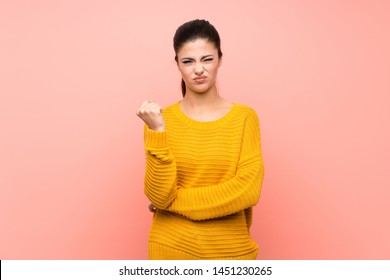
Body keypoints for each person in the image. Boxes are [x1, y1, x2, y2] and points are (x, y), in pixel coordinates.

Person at [136, 19, 264, 260]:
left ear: (220, 59)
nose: (199, 69)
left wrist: (171, 203)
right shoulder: (160, 121)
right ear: (177, 65)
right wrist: (157, 131)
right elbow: (158, 195)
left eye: (207, 59)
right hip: (170, 248)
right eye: (188, 61)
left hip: (231, 251)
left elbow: (247, 191)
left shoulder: (245, 118)